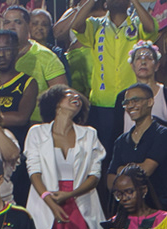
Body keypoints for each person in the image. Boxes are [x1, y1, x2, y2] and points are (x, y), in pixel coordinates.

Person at [24, 85, 104, 229]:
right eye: (68, 95)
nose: (75, 97)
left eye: (78, 96)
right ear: (55, 102)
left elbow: (95, 175)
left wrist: (70, 195)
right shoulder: (37, 132)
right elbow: (33, 170)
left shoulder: (89, 134)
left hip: (77, 204)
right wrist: (49, 200)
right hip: (45, 204)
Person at [56, 0, 156, 146]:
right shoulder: (96, 24)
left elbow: (150, 28)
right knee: (103, 150)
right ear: (105, 4)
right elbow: (76, 26)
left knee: (131, 148)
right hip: (102, 102)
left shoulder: (136, 23)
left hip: (132, 101)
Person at [104, 80, 167, 210]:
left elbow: (146, 170)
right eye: (127, 102)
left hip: (160, 208)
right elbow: (110, 181)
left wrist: (121, 170)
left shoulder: (162, 134)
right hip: (128, 211)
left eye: (136, 100)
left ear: (150, 102)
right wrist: (131, 171)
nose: (130, 106)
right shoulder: (121, 141)